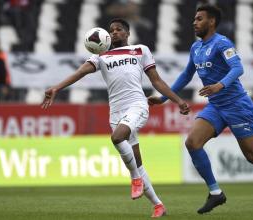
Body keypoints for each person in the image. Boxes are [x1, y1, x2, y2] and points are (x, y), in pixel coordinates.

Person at [148, 4, 253, 214]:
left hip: (238, 106)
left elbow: (238, 67)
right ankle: (215, 193)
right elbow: (185, 75)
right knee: (192, 143)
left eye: (199, 19)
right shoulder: (196, 48)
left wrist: (220, 85)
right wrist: (164, 98)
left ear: (211, 22)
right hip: (216, 106)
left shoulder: (222, 43)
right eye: (194, 19)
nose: (194, 22)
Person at [41, 18, 190, 218]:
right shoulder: (101, 55)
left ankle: (135, 179)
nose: (114, 33)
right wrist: (57, 87)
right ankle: (158, 205)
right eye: (111, 30)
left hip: (137, 105)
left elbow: (157, 81)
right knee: (137, 162)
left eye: (119, 29)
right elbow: (80, 73)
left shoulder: (140, 50)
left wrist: (177, 101)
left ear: (128, 33)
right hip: (116, 112)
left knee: (117, 138)